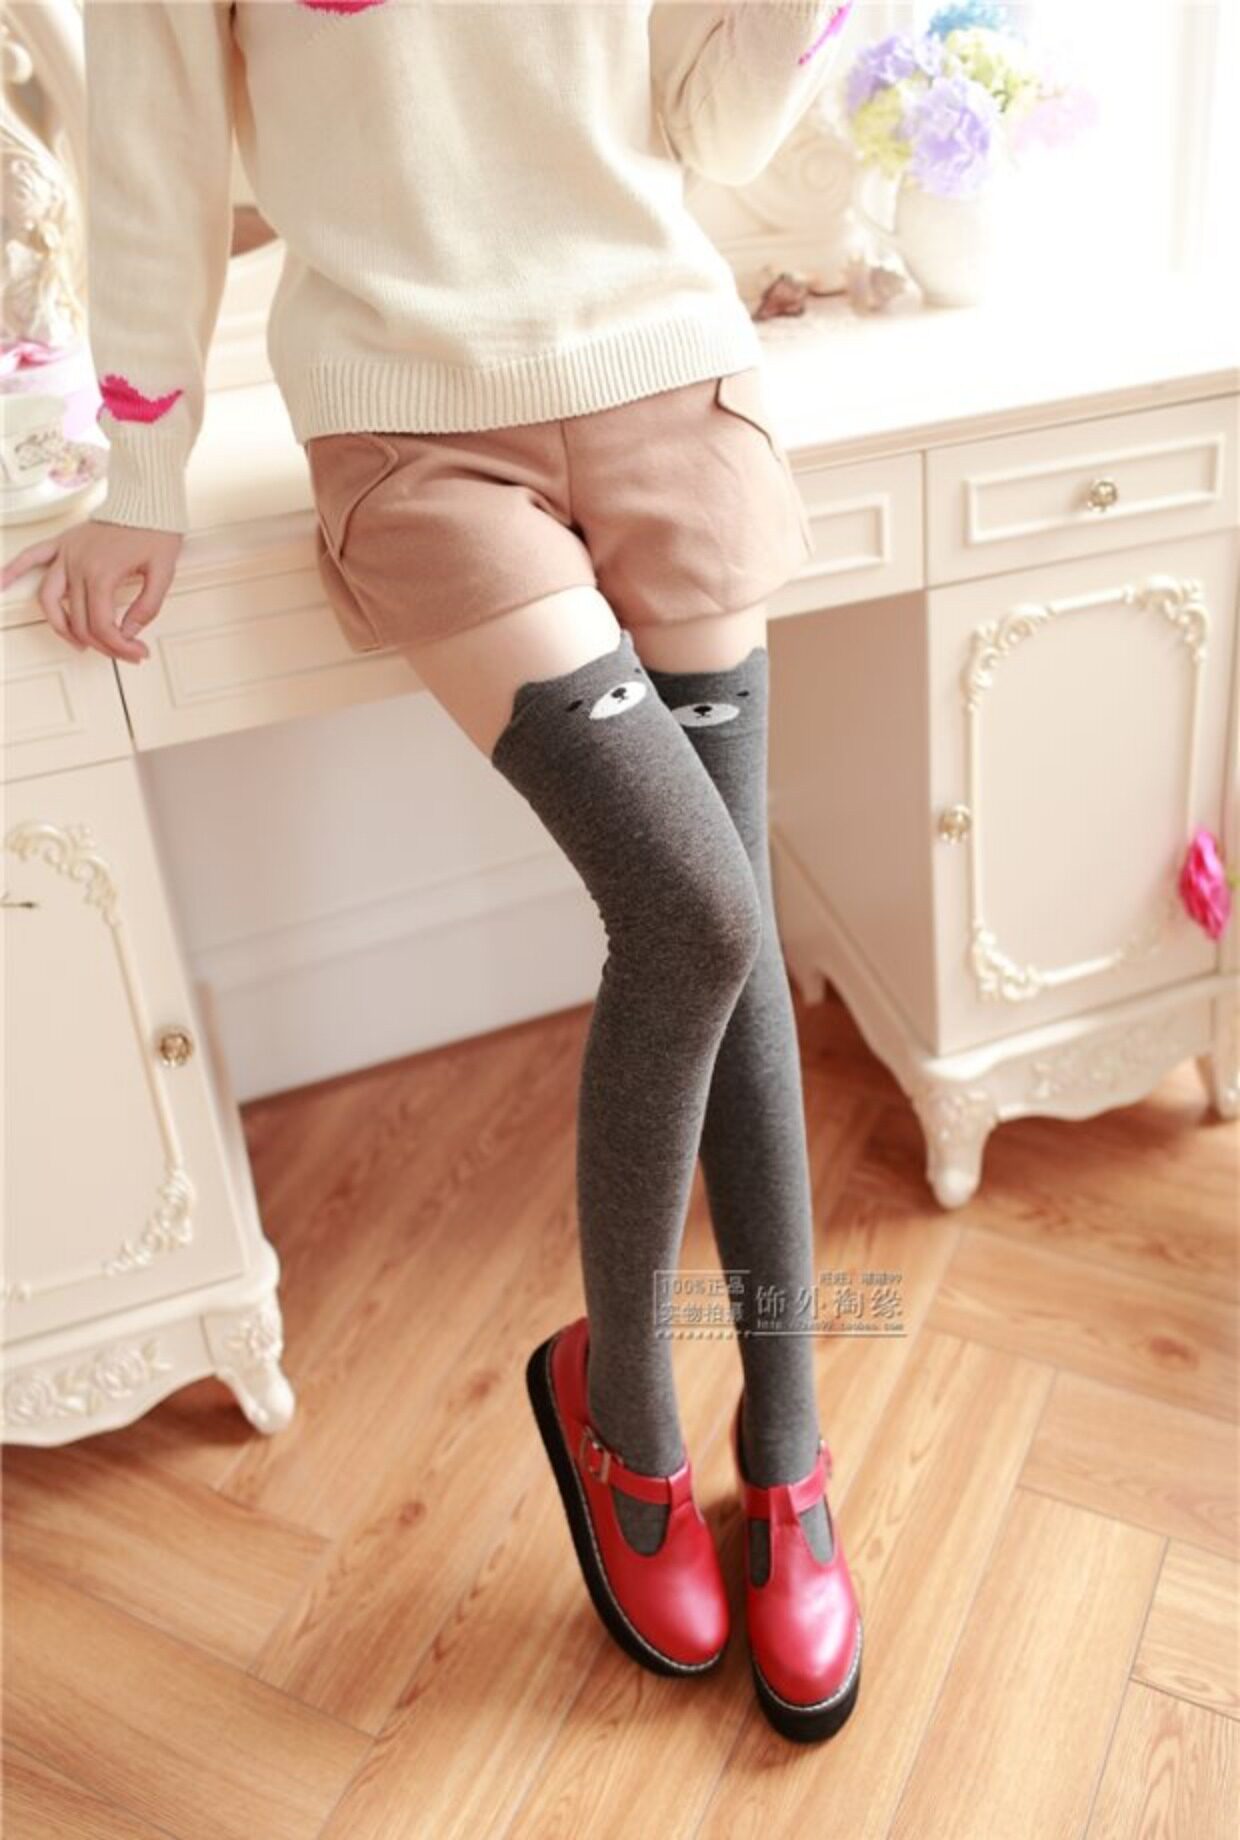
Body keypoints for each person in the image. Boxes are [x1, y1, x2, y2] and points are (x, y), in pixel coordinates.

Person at [2, 0, 862, 1744]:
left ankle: (788, 1451)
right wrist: (142, 471)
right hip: (417, 429)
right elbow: (153, 151)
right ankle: (624, 1413)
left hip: (672, 375)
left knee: (729, 924)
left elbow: (715, 128)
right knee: (693, 910)